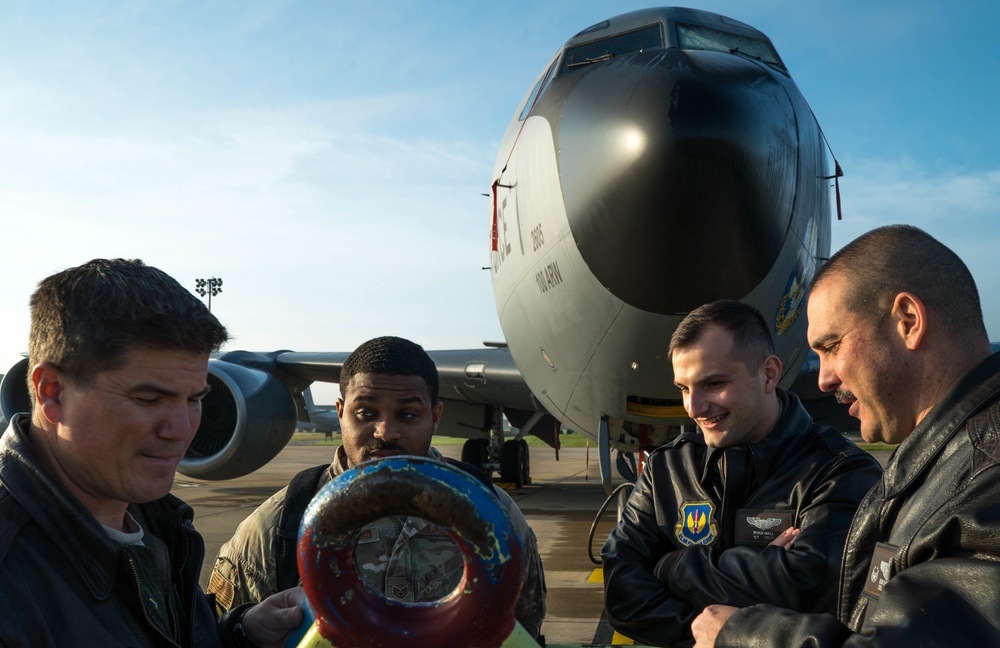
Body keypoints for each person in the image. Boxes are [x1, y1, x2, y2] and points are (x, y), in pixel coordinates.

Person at [691, 225, 1000, 647]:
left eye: (832, 345)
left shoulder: (988, 479)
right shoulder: (943, 466)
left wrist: (740, 635)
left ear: (907, 322)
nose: (823, 379)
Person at [0, 258, 302, 647]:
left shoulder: (150, 518)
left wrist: (240, 635)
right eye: (147, 399)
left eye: (196, 399)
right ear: (52, 391)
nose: (181, 431)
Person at [208, 335, 548, 640]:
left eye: (408, 415)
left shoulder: (492, 515)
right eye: (365, 413)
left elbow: (523, 620)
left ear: (436, 416)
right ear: (340, 412)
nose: (385, 431)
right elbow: (223, 632)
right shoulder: (280, 525)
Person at [602, 300, 882, 647]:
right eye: (684, 389)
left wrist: (672, 567)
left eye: (713, 383)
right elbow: (621, 591)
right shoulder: (667, 470)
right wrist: (712, 632)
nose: (694, 407)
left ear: (768, 374)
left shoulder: (840, 472)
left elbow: (810, 588)